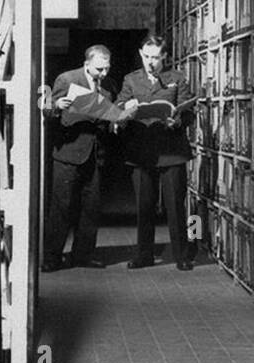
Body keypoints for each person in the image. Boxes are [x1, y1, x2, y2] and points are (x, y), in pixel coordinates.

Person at [42, 44, 135, 272]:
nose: (103, 74)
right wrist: (56, 106)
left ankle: (82, 255)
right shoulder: (66, 79)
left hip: (96, 154)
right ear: (86, 64)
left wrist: (118, 120)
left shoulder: (109, 86)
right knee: (61, 207)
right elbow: (48, 113)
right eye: (99, 69)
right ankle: (52, 257)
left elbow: (108, 116)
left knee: (91, 208)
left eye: (106, 69)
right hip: (68, 152)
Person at [118, 33, 196, 270]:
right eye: (146, 56)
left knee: (175, 205)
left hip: (171, 150)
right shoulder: (131, 80)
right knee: (144, 206)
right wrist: (125, 110)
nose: (151, 62)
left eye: (156, 57)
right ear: (141, 54)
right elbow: (119, 105)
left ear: (164, 56)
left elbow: (187, 110)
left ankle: (181, 255)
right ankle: (144, 255)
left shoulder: (177, 78)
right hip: (141, 151)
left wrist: (178, 121)